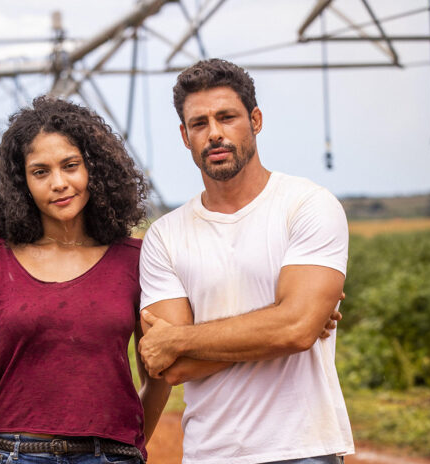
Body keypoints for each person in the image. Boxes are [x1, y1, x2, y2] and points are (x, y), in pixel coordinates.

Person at [137, 59, 354, 464]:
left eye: (227, 117)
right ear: (185, 136)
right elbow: (173, 368)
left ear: (255, 119)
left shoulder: (308, 205)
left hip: (303, 449)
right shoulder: (164, 236)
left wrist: (180, 338)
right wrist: (280, 323)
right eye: (199, 123)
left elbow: (295, 330)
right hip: (209, 453)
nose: (214, 133)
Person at [0, 96, 171, 464]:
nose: (59, 183)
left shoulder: (134, 257)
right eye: (40, 172)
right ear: (21, 182)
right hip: (18, 453)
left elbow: (158, 375)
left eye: (71, 166)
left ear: (95, 169)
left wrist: (127, 446)